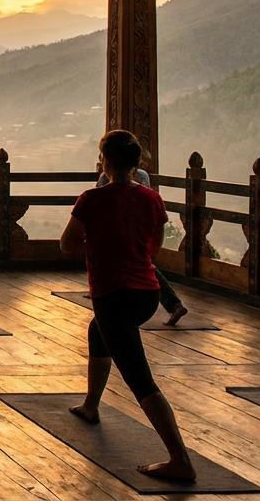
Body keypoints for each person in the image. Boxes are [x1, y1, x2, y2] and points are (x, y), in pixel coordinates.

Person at [62, 130, 195, 481]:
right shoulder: (152, 199)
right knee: (97, 333)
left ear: (104, 161)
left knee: (142, 381)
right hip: (146, 296)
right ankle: (91, 405)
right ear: (137, 163)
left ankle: (180, 459)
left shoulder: (92, 198)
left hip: (113, 295)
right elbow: (153, 247)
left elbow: (67, 243)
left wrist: (98, 238)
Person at [96, 155, 188, 326]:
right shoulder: (144, 176)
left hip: (118, 233)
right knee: (145, 266)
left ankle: (173, 304)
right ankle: (174, 304)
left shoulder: (104, 179)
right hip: (144, 230)